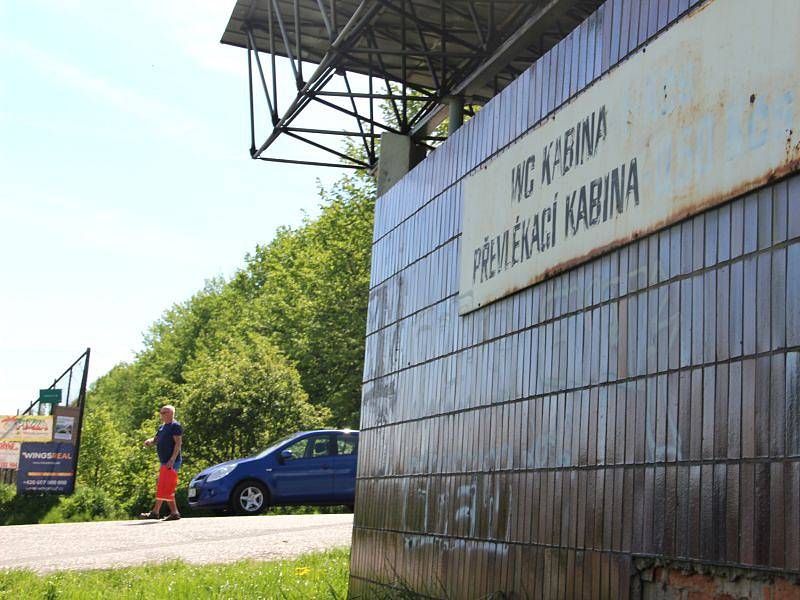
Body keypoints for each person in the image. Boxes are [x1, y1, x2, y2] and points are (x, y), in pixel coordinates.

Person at [139, 405, 183, 521]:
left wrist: (172, 459)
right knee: (163, 485)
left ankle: (162, 512)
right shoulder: (162, 427)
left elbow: (178, 444)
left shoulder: (175, 426)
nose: (161, 414)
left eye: (164, 412)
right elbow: (156, 439)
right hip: (164, 461)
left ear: (170, 414)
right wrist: (150, 441)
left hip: (171, 461)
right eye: (161, 412)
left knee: (165, 485)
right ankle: (167, 512)